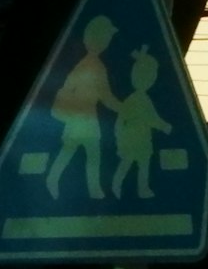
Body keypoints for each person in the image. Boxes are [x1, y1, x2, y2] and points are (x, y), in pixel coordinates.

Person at [42, 20, 113, 202]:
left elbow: (69, 85)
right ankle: (93, 190)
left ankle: (57, 179)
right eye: (106, 37)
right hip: (84, 119)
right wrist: (122, 107)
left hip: (81, 119)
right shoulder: (96, 66)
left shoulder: (83, 64)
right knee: (89, 154)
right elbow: (105, 95)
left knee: (78, 152)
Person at [109, 50, 174, 202]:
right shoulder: (137, 100)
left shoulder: (143, 99)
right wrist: (164, 127)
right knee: (128, 163)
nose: (151, 79)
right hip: (133, 140)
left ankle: (142, 189)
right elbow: (150, 118)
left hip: (142, 140)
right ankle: (117, 184)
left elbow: (152, 117)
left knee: (143, 165)